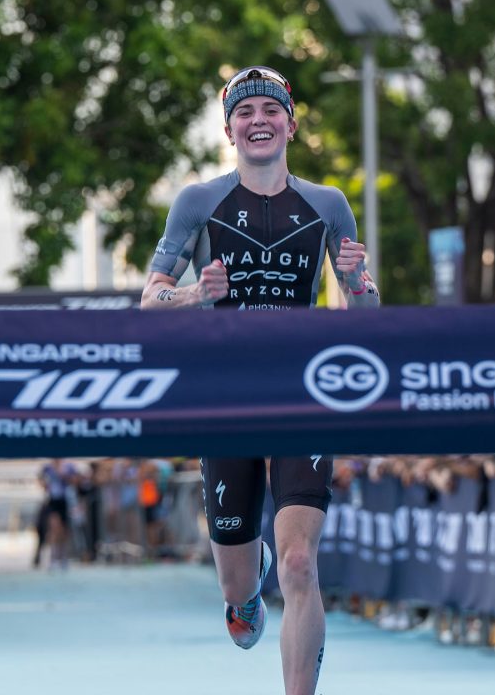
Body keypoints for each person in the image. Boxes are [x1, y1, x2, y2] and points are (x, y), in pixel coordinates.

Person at [140, 65, 380, 695]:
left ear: (290, 126)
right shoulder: (199, 203)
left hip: (301, 394)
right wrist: (193, 294)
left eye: (270, 110)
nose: (258, 121)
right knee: (239, 592)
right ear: (230, 132)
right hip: (225, 400)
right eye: (244, 113)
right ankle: (245, 591)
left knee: (300, 563)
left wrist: (358, 281)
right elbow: (149, 300)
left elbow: (368, 314)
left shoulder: (328, 205)